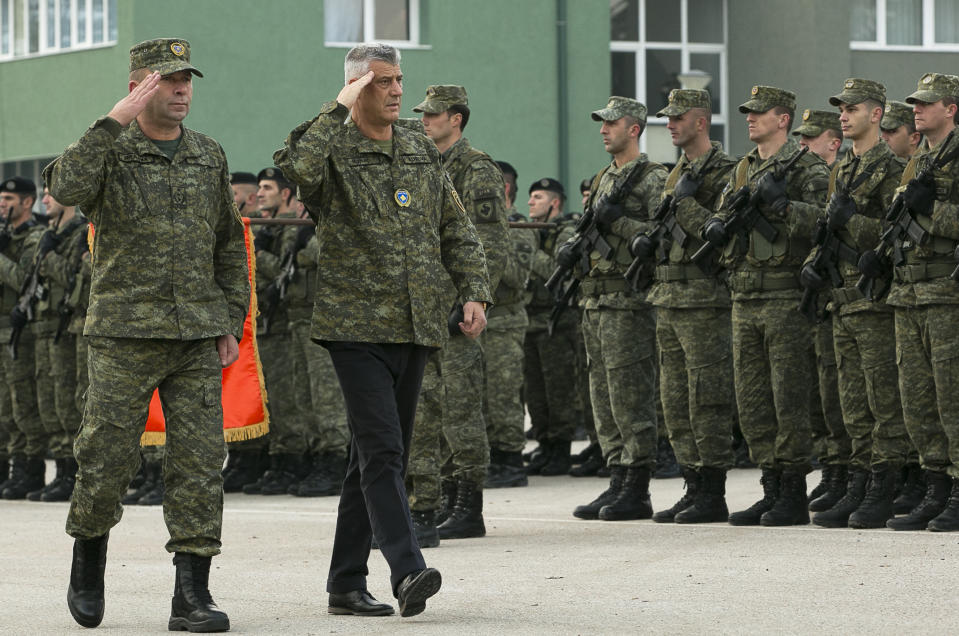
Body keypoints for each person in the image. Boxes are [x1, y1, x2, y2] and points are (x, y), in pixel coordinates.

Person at [274, 43, 490, 617]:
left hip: (415, 323)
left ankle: (345, 583)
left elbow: (455, 225)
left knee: (367, 460)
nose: (398, 91)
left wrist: (472, 288)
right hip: (355, 325)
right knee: (386, 450)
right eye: (384, 81)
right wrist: (336, 107)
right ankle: (407, 569)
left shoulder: (419, 148)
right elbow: (293, 169)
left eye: (400, 79)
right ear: (356, 88)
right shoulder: (332, 147)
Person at [45, 38, 249, 631]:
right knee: (105, 458)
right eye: (169, 80)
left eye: (188, 80)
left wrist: (229, 319)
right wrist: (112, 121)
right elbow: (65, 187)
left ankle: (192, 595)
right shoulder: (111, 150)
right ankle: (88, 559)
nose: (183, 90)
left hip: (195, 337)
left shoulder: (208, 154)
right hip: (124, 335)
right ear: (141, 87)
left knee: (199, 464)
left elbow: (227, 244)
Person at [702, 86, 829, 526]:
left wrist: (782, 204)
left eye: (760, 113)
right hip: (745, 296)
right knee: (753, 402)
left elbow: (825, 226)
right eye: (748, 113)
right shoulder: (741, 170)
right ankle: (769, 487)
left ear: (783, 120)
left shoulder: (807, 167)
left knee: (788, 397)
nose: (750, 119)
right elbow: (722, 224)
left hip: (784, 296)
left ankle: (792, 491)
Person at [802, 78, 909, 529]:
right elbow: (829, 231)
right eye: (842, 108)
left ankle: (885, 489)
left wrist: (855, 222)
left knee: (883, 401)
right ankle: (860, 484)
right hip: (841, 303)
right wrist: (812, 263)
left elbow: (893, 236)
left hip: (874, 302)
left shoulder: (892, 168)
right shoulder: (843, 169)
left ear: (877, 114)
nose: (844, 115)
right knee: (852, 405)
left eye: (853, 108)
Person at [409, 84, 509, 541]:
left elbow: (490, 242)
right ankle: (444, 495)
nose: (425, 121)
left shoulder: (476, 169)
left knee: (461, 405)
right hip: (427, 306)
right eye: (424, 114)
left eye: (434, 114)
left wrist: (475, 298)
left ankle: (469, 502)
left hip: (457, 309)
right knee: (428, 407)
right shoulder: (428, 164)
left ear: (457, 118)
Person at [566, 97, 667, 522]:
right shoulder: (605, 177)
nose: (604, 130)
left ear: (635, 129)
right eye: (602, 124)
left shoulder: (652, 177)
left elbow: (662, 238)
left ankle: (637, 485)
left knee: (630, 395)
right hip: (596, 300)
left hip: (628, 302)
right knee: (603, 396)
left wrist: (620, 222)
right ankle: (617, 476)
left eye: (612, 123)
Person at [641, 89, 737, 524]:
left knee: (706, 398)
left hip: (705, 300)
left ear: (701, 122)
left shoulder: (730, 171)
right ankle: (692, 482)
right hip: (668, 297)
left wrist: (686, 202)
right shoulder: (672, 173)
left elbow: (722, 235)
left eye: (678, 118)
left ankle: (712, 490)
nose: (670, 124)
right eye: (668, 118)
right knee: (675, 400)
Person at [883, 73, 959, 532]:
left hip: (947, 294)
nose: (917, 109)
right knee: (917, 400)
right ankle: (936, 487)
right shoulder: (919, 161)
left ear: (951, 109)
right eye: (915, 102)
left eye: (927, 103)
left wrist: (934, 209)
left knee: (952, 398)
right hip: (909, 293)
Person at [241, 166, 310, 495]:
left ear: (285, 194)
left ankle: (290, 462)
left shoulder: (289, 228)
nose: (261, 193)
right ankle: (269, 462)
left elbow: (285, 271)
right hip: (262, 326)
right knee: (266, 400)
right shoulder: (263, 225)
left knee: (285, 400)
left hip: (284, 325)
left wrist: (256, 250)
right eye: (259, 187)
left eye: (267, 187)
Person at [25, 188, 89, 502]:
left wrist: (48, 256)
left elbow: (72, 277)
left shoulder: (80, 234)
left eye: (50, 195)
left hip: (72, 324)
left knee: (74, 397)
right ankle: (63, 470)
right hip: (50, 325)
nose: (45, 200)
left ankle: (76, 472)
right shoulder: (50, 234)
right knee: (55, 401)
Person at [522, 179, 584, 479]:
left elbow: (556, 271)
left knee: (558, 389)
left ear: (555, 203)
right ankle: (545, 444)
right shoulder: (532, 232)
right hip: (531, 320)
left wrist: (529, 252)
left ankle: (560, 448)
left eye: (538, 197)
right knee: (536, 392)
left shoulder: (566, 231)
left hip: (556, 321)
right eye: (530, 197)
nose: (531, 202)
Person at [482, 161, 536, 490]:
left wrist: (495, 238)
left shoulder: (520, 228)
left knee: (504, 393)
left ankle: (510, 459)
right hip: (478, 322)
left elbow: (517, 279)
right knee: (481, 396)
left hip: (505, 321)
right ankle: (490, 456)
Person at [0, 176, 45, 500]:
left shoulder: (35, 237)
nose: (2, 204)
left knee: (22, 405)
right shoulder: (7, 236)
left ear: (27, 202)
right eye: (1, 199)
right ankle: (8, 468)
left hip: (20, 332)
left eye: (9, 199)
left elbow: (23, 279)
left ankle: (28, 470)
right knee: (3, 407)